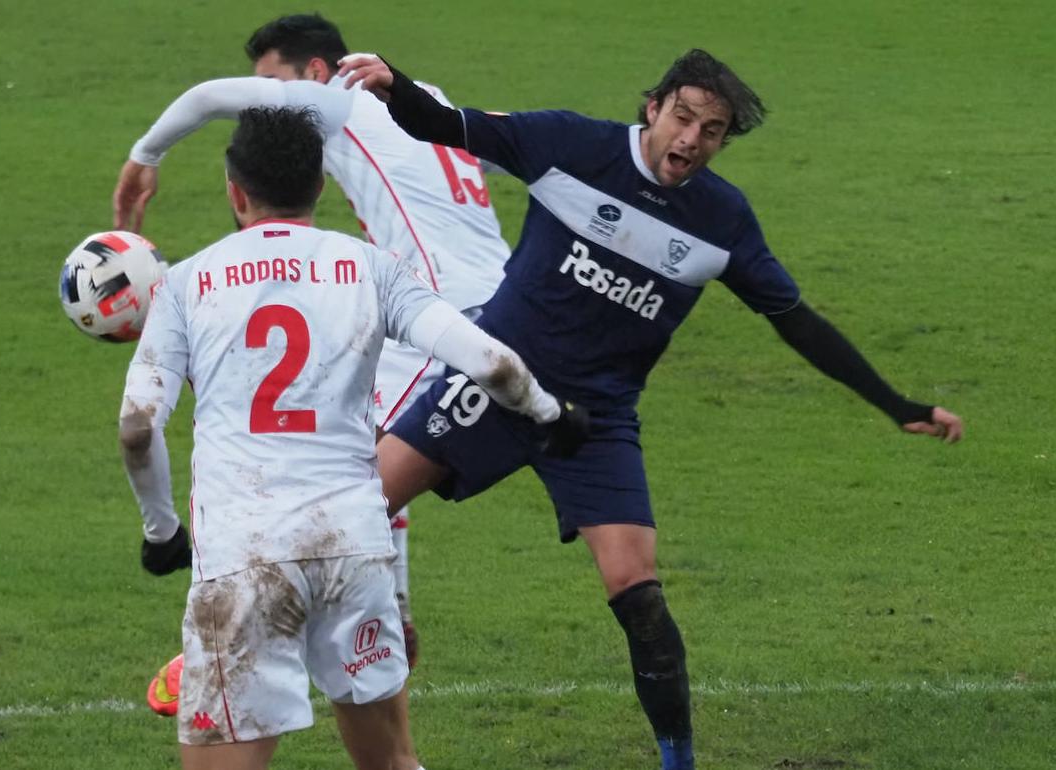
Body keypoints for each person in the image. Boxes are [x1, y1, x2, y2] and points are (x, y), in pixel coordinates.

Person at [335, 49, 965, 769]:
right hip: (496, 387)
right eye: (683, 117)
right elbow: (446, 125)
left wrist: (895, 404)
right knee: (348, 514)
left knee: (638, 594)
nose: (691, 139)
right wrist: (394, 83)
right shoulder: (569, 144)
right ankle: (261, 658)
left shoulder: (722, 221)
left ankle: (678, 762)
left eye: (712, 130)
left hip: (596, 423)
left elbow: (796, 322)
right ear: (654, 107)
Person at [119, 105, 586, 770]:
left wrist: (162, 531)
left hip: (245, 552)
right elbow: (490, 363)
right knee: (390, 761)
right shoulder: (372, 267)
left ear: (235, 192)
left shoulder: (186, 283)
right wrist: (549, 414)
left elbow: (138, 427)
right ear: (320, 185)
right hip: (352, 545)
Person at [114, 14, 512, 669]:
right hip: (496, 304)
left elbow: (207, 98)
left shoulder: (342, 102)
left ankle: (250, 631)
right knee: (357, 449)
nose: (267, 105)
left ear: (318, 74)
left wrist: (144, 157)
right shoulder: (427, 100)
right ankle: (385, 614)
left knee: (336, 467)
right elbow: (501, 140)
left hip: (448, 315)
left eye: (274, 86)